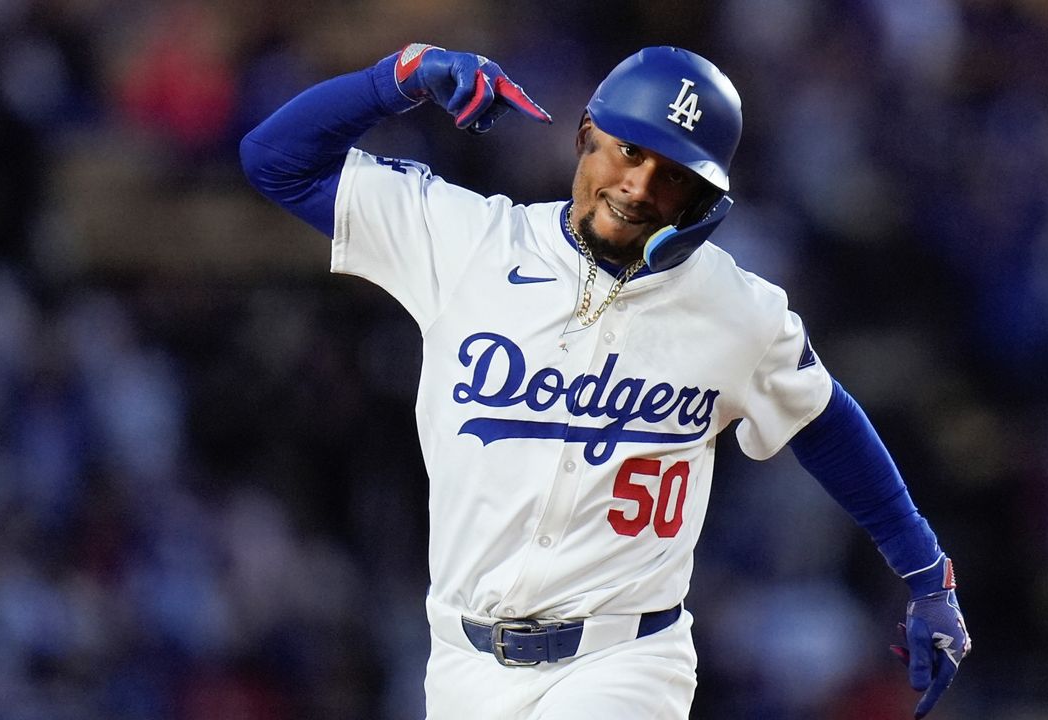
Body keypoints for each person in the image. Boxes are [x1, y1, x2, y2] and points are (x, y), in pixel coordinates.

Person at [241, 43, 971, 719]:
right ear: (585, 132)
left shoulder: (736, 309)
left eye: (673, 175)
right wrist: (395, 79)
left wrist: (925, 571)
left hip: (624, 660)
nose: (640, 185)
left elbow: (825, 421)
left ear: (702, 199)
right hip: (461, 661)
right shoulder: (468, 242)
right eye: (629, 150)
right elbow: (276, 160)